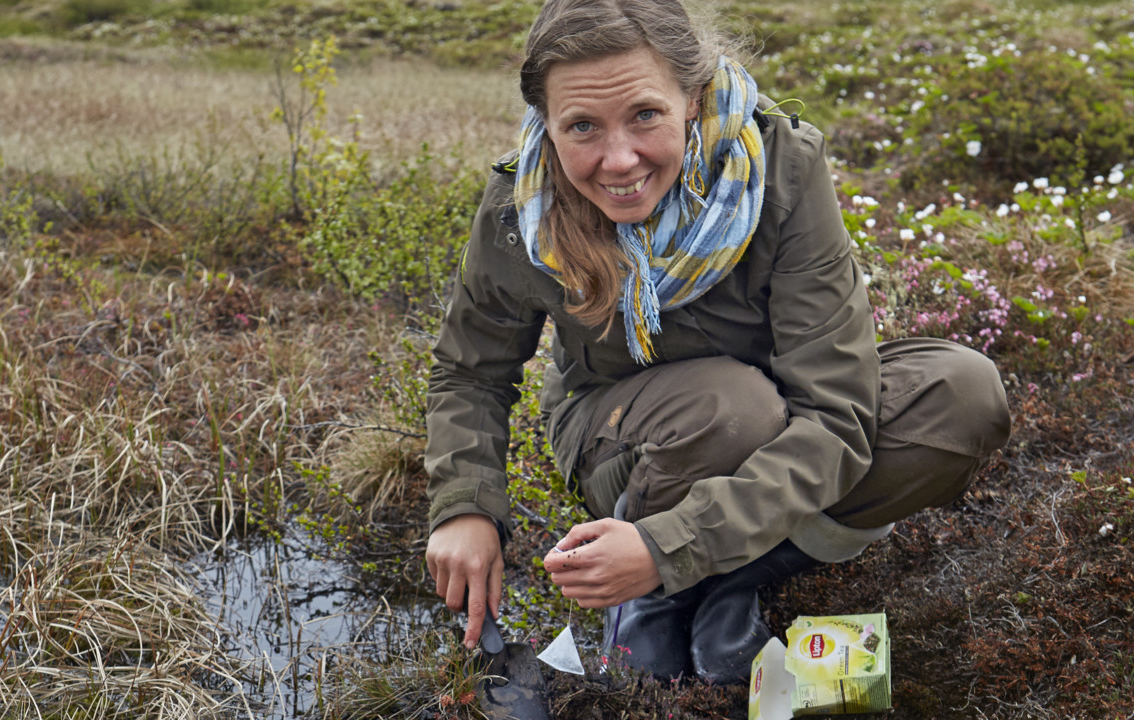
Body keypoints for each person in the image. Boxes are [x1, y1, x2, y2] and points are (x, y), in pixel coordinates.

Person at [424, 0, 1011, 685]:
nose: (619, 159)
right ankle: (657, 599)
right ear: (546, 124)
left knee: (961, 396)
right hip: (627, 444)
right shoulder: (522, 206)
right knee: (732, 407)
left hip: (786, 421)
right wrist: (465, 507)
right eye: (581, 126)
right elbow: (471, 372)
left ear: (693, 99)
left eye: (646, 115)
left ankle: (733, 576)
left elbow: (835, 415)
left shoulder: (782, 168)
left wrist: (667, 548)